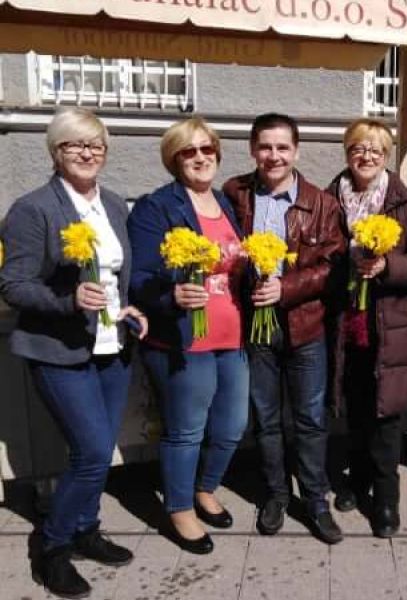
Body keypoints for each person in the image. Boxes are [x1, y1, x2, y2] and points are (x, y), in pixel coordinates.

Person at [0, 107, 148, 599]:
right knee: (88, 451)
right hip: (60, 349)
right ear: (55, 151)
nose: (86, 153)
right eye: (74, 145)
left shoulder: (111, 202)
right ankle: (54, 546)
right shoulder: (33, 208)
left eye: (96, 145)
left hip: (111, 347)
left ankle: (86, 527)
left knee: (98, 451)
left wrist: (127, 309)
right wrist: (65, 301)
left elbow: (114, 275)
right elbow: (13, 284)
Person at [223, 113, 347, 544]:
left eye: (282, 147)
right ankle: (276, 494)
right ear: (253, 149)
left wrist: (286, 287)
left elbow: (333, 266)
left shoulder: (322, 203)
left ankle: (315, 500)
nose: (273, 156)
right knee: (267, 419)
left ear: (296, 151)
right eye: (265, 147)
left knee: (310, 420)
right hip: (256, 328)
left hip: (305, 327)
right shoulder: (236, 194)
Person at [128, 117, 249, 555]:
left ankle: (205, 487)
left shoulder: (226, 202)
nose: (200, 157)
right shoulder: (156, 207)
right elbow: (138, 277)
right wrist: (171, 293)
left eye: (206, 149)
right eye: (188, 151)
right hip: (183, 341)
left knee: (233, 425)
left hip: (232, 337)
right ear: (174, 160)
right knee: (186, 431)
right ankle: (179, 508)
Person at [326, 119, 407, 537]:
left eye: (375, 150)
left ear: (387, 156)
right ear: (347, 152)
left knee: (387, 417)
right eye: (357, 148)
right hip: (345, 325)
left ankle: (387, 500)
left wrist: (387, 266)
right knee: (354, 411)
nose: (366, 156)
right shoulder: (328, 200)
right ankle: (356, 481)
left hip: (392, 327)